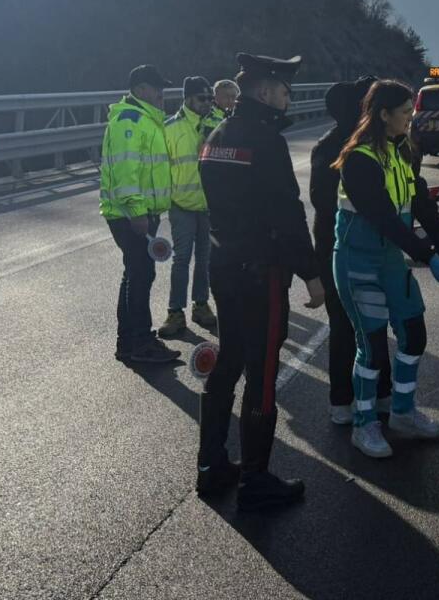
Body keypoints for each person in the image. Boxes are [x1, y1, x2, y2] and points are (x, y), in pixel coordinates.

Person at [196, 53, 325, 511]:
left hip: (224, 263)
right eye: (285, 91)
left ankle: (210, 466)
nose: (288, 99)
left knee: (228, 362)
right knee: (263, 371)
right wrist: (311, 274)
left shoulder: (216, 136)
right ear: (267, 91)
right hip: (261, 272)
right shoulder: (266, 141)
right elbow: (287, 214)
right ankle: (255, 478)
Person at [333, 80, 439, 459]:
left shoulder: (404, 150)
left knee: (414, 333)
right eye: (406, 112)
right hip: (358, 261)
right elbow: (384, 220)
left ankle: (403, 413)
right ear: (383, 114)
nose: (412, 117)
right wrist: (429, 257)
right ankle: (364, 424)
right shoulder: (359, 158)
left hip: (390, 258)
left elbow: (421, 205)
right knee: (372, 348)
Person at [309, 75, 393, 425]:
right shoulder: (359, 146)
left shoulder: (327, 144)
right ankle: (379, 397)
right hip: (352, 245)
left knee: (345, 325)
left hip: (332, 244)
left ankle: (343, 402)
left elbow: (319, 202)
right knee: (369, 323)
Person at [98, 64, 181, 365]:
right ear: (141, 89)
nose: (162, 93)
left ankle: (129, 342)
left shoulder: (146, 119)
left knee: (134, 274)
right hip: (131, 213)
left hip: (141, 211)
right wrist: (136, 210)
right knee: (141, 274)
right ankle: (141, 343)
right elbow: (126, 169)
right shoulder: (130, 120)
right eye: (157, 87)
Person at [159, 76, 218, 339]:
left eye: (210, 99)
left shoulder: (217, 125)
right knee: (181, 258)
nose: (207, 103)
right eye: (202, 98)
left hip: (209, 205)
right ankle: (175, 312)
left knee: (204, 259)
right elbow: (160, 168)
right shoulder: (169, 128)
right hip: (181, 204)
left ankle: (201, 305)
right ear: (187, 99)